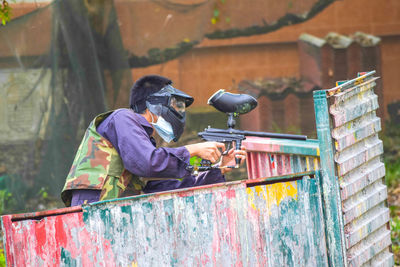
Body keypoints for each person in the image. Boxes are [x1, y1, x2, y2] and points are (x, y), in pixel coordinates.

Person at [61, 75, 246, 207]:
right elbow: (149, 162)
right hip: (91, 211)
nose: (179, 112)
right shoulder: (122, 118)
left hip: (110, 214)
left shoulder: (141, 141)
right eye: (174, 105)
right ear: (154, 104)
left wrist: (218, 170)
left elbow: (161, 187)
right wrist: (192, 150)